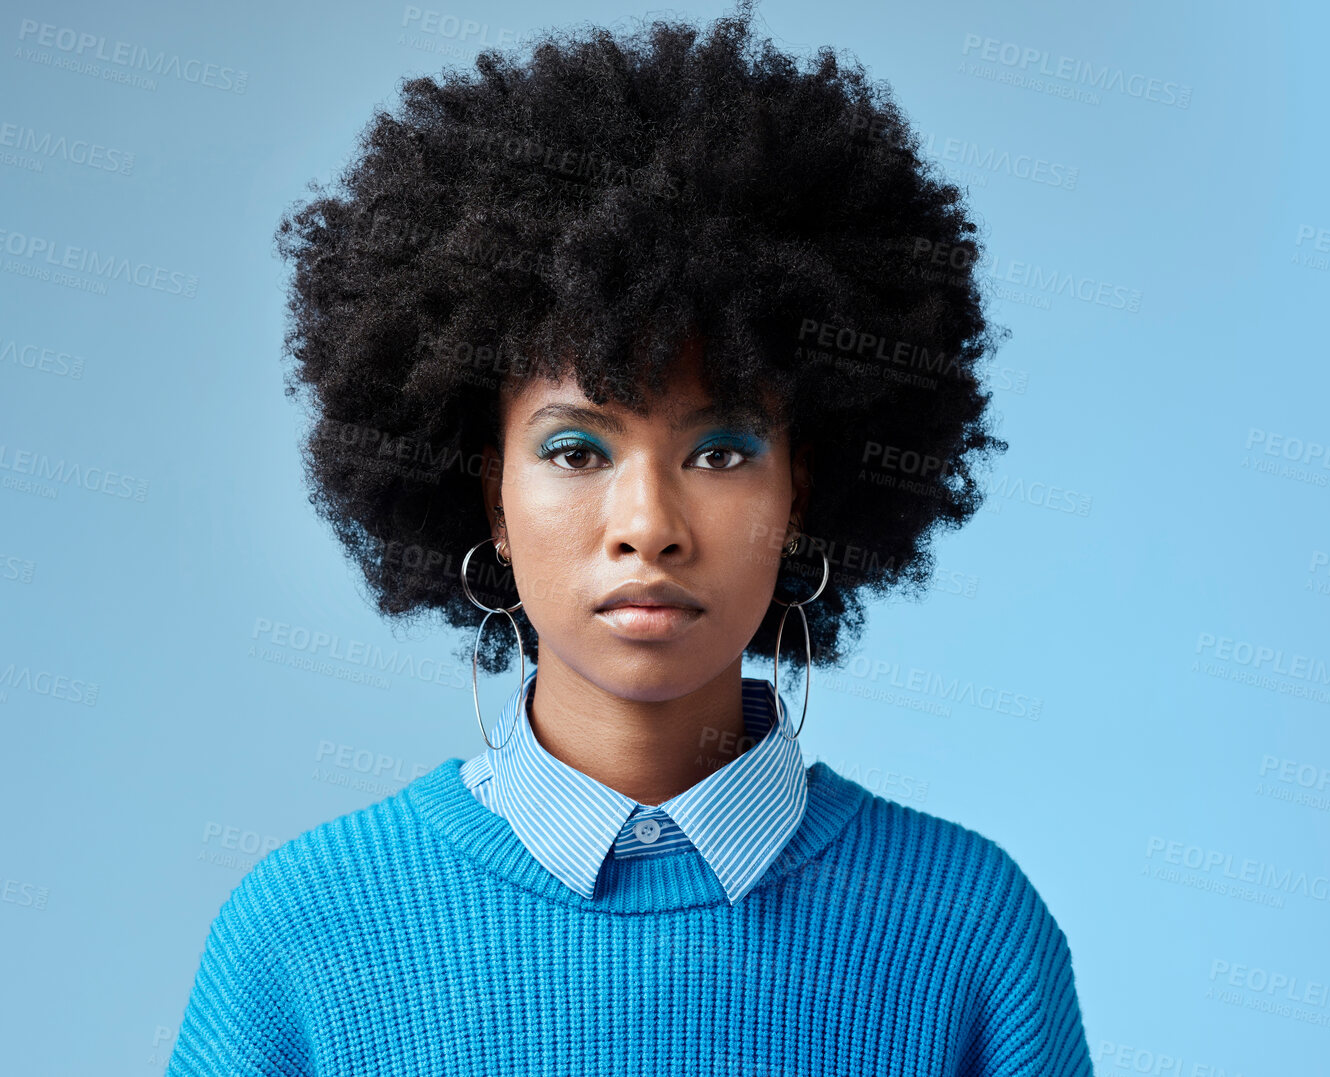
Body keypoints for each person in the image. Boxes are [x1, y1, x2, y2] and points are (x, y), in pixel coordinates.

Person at [164, 6, 1093, 1074]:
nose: (648, 526)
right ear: (491, 496)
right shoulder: (303, 932)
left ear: (803, 493)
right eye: (574, 451)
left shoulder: (968, 930)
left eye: (723, 450)